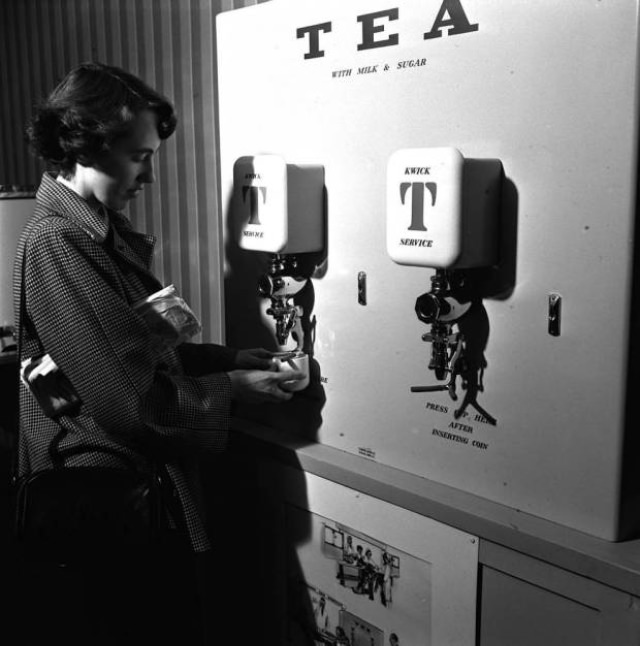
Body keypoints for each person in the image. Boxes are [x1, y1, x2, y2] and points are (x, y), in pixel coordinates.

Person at [13, 61, 302, 645]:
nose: (149, 174)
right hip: (110, 502)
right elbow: (134, 402)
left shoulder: (96, 231)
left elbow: (134, 352)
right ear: (92, 143)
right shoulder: (58, 240)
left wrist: (228, 361)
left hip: (134, 490)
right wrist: (235, 392)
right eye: (141, 156)